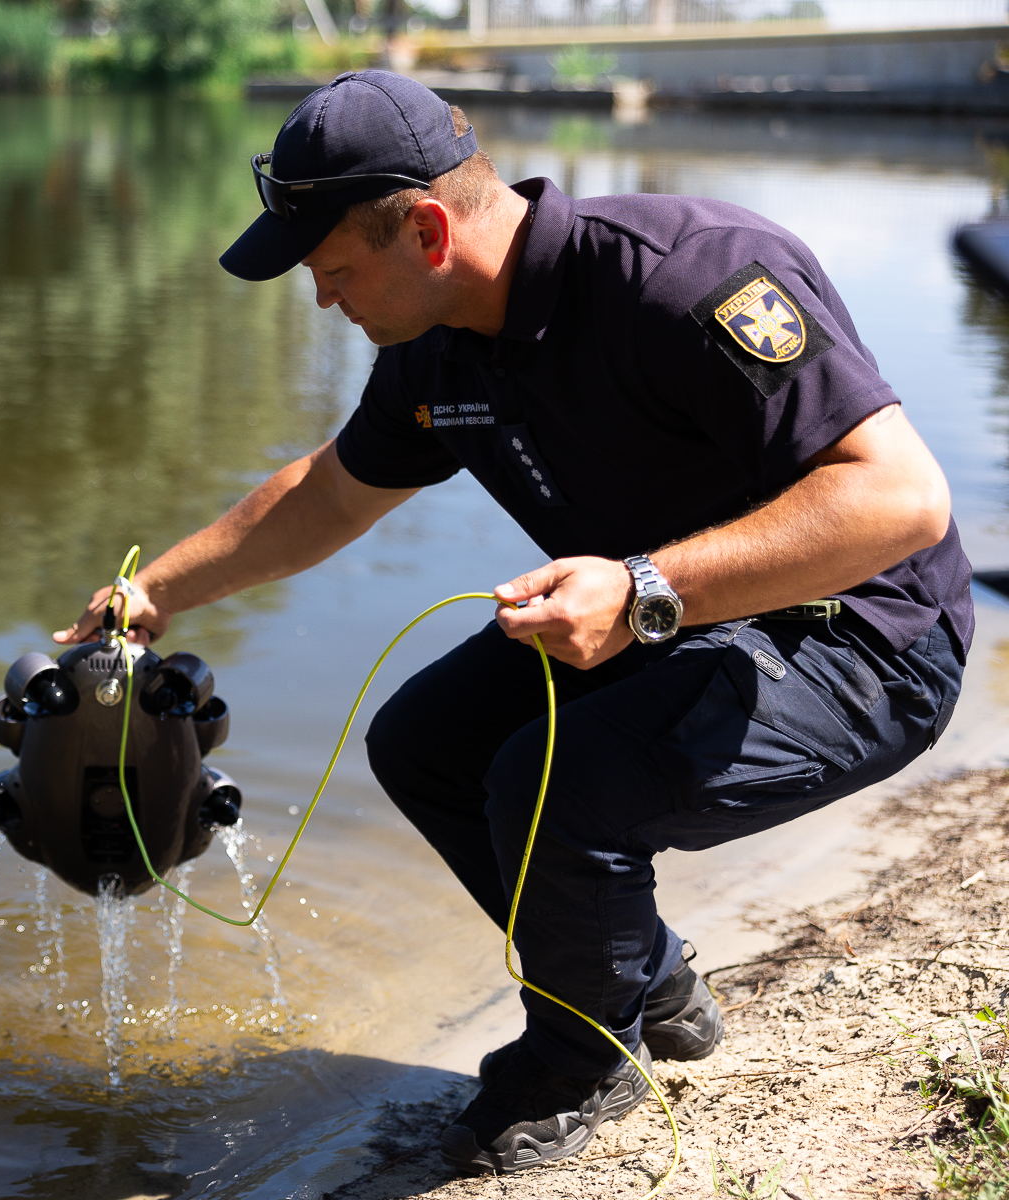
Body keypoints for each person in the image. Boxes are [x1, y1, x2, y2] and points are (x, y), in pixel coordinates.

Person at [52, 71, 971, 1174]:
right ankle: (644, 978)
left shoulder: (692, 278)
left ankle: (583, 1060)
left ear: (428, 230)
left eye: (333, 269)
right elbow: (331, 494)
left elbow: (899, 501)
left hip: (864, 639)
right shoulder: (436, 351)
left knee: (552, 779)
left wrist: (639, 593)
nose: (323, 301)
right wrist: (152, 598)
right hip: (673, 620)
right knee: (426, 745)